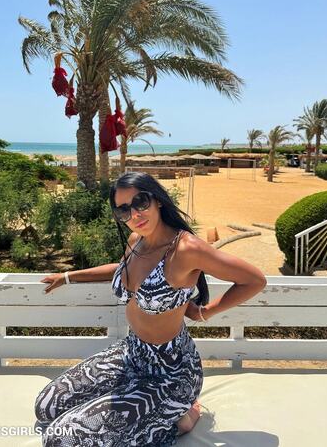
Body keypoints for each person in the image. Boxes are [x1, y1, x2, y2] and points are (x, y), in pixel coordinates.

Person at [35, 171, 267, 446]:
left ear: (157, 200)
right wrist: (68, 276)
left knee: (59, 439)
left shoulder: (185, 249)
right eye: (123, 210)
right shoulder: (137, 240)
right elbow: (123, 270)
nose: (134, 214)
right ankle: (137, 402)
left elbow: (254, 280)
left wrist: (203, 312)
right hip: (132, 354)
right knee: (47, 406)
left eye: (140, 202)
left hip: (170, 373)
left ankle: (182, 418)